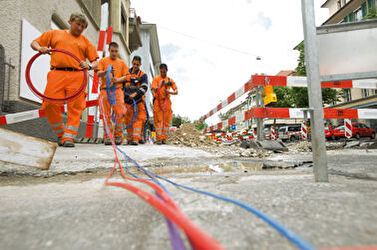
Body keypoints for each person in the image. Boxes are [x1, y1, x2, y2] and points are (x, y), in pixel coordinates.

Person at [31, 13, 98, 147]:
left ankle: (69, 137)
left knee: (76, 108)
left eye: (83, 27)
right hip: (57, 74)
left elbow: (96, 61)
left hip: (77, 76)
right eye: (78, 24)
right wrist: (40, 48)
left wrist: (90, 66)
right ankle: (62, 134)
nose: (80, 28)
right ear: (70, 21)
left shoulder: (86, 42)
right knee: (49, 104)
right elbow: (34, 43)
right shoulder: (55, 34)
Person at [96, 42, 129, 145]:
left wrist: (117, 80)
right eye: (112, 51)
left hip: (117, 90)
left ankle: (118, 136)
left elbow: (127, 76)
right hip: (105, 90)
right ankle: (108, 137)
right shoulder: (103, 61)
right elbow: (98, 73)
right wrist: (107, 71)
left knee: (120, 113)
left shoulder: (122, 63)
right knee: (106, 115)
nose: (114, 53)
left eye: (116, 51)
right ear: (109, 50)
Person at [122, 56, 148, 145]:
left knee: (139, 119)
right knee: (128, 119)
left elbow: (144, 87)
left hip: (138, 101)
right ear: (132, 63)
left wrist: (135, 94)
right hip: (127, 101)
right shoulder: (126, 73)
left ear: (140, 64)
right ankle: (130, 138)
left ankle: (135, 138)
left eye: (137, 64)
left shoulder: (143, 75)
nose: (136, 66)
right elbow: (121, 86)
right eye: (134, 64)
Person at [151, 63, 178, 145]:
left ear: (167, 70)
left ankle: (164, 138)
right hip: (157, 101)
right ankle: (158, 138)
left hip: (166, 101)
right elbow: (154, 88)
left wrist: (168, 92)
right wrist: (160, 86)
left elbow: (176, 91)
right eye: (161, 72)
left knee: (166, 121)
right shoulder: (156, 79)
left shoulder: (170, 80)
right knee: (158, 120)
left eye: (164, 72)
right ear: (160, 71)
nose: (163, 73)